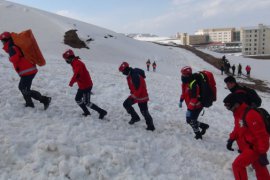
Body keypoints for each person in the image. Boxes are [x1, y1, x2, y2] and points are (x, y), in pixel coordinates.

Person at [223, 93, 270, 180]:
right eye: (226, 106)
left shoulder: (251, 114)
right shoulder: (238, 114)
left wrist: (262, 152)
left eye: (228, 106)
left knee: (237, 166)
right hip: (249, 146)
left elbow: (262, 135)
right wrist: (231, 138)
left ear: (236, 103)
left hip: (255, 148)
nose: (228, 109)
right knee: (260, 169)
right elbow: (238, 128)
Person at [0, 31, 51, 109]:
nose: (2, 43)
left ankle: (45, 99)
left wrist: (10, 58)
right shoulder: (14, 45)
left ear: (5, 40)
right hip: (28, 70)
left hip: (28, 71)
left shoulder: (12, 47)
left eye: (2, 41)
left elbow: (15, 59)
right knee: (23, 88)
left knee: (24, 89)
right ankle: (29, 103)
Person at [62, 49, 107, 118]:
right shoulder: (74, 63)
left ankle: (102, 112)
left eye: (66, 59)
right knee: (78, 99)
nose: (66, 61)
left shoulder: (77, 63)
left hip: (86, 85)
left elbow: (77, 74)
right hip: (82, 85)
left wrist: (71, 82)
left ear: (69, 58)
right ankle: (87, 112)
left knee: (87, 102)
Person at [118, 62, 155, 131]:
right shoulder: (130, 74)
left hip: (142, 96)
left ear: (126, 69)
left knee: (144, 111)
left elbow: (139, 88)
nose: (122, 73)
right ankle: (135, 117)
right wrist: (132, 95)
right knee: (126, 104)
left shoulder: (134, 75)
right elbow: (133, 87)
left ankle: (151, 126)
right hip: (136, 95)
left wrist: (133, 97)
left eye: (123, 71)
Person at [179, 66, 209, 139]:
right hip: (191, 106)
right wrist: (181, 100)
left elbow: (194, 98)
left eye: (183, 74)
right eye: (182, 74)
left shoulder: (194, 84)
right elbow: (184, 93)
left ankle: (198, 135)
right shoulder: (185, 83)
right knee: (189, 120)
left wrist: (189, 109)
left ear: (188, 74)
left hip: (197, 106)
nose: (182, 76)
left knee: (192, 120)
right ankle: (203, 126)